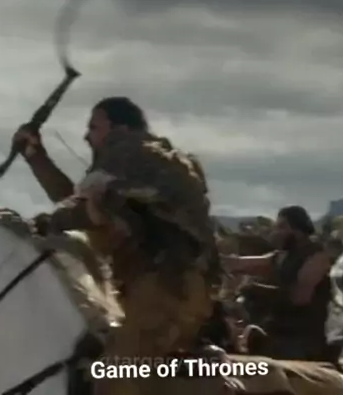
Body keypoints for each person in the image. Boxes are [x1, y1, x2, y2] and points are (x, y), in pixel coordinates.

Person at [13, 96, 221, 395]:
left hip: (168, 289)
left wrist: (50, 222)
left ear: (120, 128)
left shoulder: (132, 152)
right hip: (157, 289)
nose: (86, 136)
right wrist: (36, 156)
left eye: (94, 127)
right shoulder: (137, 161)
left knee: (116, 379)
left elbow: (89, 210)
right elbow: (79, 202)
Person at [222, 205, 331, 361]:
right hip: (276, 330)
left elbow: (299, 298)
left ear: (298, 229)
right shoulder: (282, 256)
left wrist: (256, 290)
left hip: (300, 338)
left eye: (282, 227)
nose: (276, 232)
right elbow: (241, 263)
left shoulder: (317, 256)